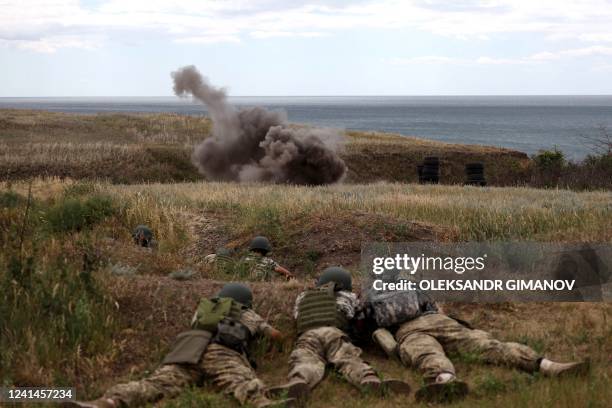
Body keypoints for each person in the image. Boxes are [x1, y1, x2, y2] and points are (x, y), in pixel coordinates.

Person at [67, 283, 291, 408]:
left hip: (189, 350)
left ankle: (105, 403)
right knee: (242, 383)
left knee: (156, 384)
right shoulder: (247, 312)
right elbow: (275, 336)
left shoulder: (204, 310)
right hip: (222, 352)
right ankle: (265, 404)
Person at [365, 279, 589, 403]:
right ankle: (547, 365)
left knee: (427, 355)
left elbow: (365, 325)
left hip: (408, 332)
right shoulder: (413, 285)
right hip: (438, 321)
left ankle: (444, 380)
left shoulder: (371, 295)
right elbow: (435, 307)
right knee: (487, 345)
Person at [271, 267, 411, 406]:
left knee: (304, 359)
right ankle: (366, 377)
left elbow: (297, 316)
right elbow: (356, 316)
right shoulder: (348, 296)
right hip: (333, 332)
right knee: (347, 357)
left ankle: (299, 379)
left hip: (308, 334)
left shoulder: (303, 296)